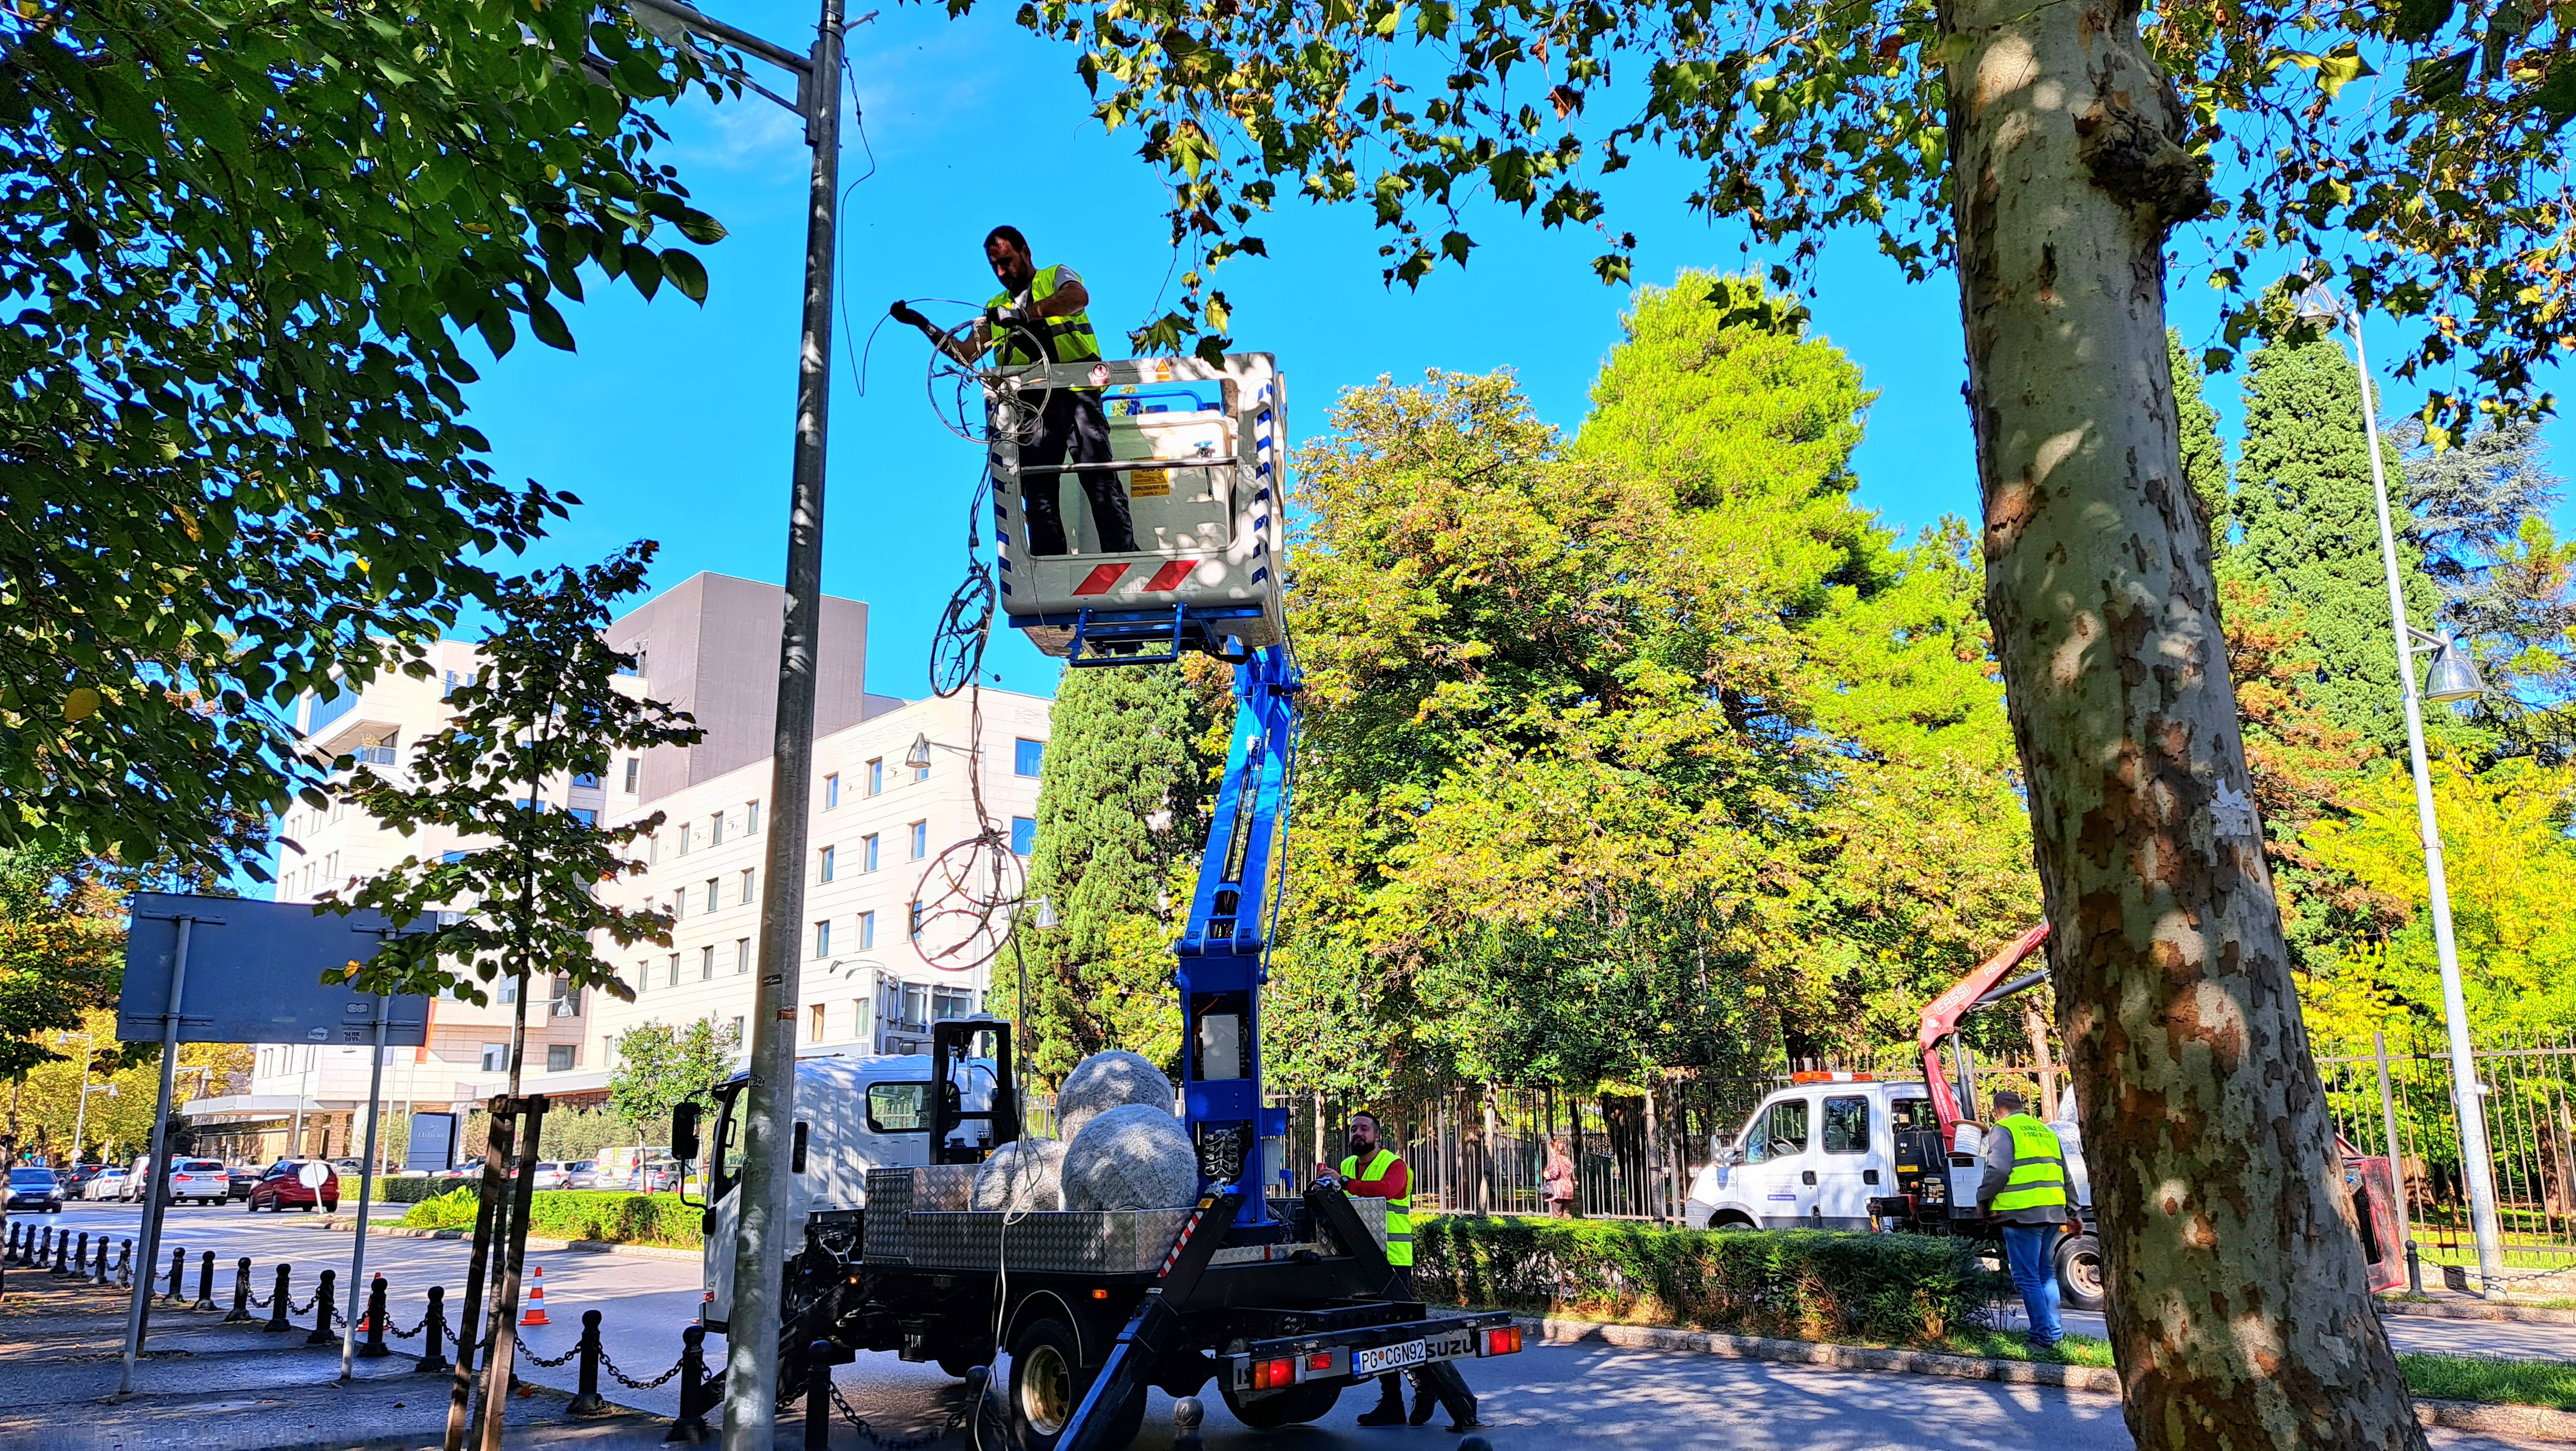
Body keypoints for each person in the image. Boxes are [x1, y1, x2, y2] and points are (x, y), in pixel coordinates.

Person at [890, 226, 1138, 557]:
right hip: (1033, 407)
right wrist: (923, 324)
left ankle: (1122, 558)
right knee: (1038, 494)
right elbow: (967, 354)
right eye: (995, 266)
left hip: (1076, 395)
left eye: (1006, 261)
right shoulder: (995, 308)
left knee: (1098, 480)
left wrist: (1025, 314)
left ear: (1026, 251)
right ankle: (1050, 570)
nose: (1002, 272)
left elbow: (1077, 297)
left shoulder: (1055, 276)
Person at [1318, 1111, 1481, 1430]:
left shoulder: (1394, 1165)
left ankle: (1425, 1388)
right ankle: (1391, 1401)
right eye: (1354, 1129)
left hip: (1394, 1260)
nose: (1358, 1133)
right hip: (1361, 1262)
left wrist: (1345, 1183)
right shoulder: (1348, 1166)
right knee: (1377, 1333)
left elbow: (1387, 1190)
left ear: (1377, 1135)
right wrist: (1326, 1179)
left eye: (1365, 1128)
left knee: (1405, 1332)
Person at [1977, 1088, 2070, 1349]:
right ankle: (2054, 1333)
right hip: (2052, 1211)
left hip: (2021, 1216)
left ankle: (2042, 1337)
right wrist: (2072, 1211)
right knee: (2046, 1274)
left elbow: (1999, 1169)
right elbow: (2065, 1173)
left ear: (1998, 1110)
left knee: (2028, 1277)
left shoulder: (2004, 1129)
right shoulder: (2046, 1131)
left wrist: (1982, 1200)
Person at [1542, 1137, 1577, 1218]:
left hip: (1558, 1188)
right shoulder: (1567, 1159)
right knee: (1567, 1213)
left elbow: (1555, 1173)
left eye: (1550, 1148)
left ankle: (1559, 1229)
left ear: (1554, 1148)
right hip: (1569, 1188)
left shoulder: (1555, 1159)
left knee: (1557, 1214)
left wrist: (1547, 1173)